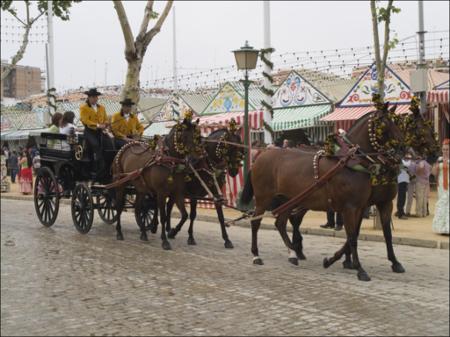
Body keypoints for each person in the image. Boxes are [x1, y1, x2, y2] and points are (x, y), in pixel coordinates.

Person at [79, 88, 110, 181]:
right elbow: (84, 120)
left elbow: (106, 118)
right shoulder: (83, 108)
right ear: (89, 98)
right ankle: (99, 167)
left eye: (96, 97)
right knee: (96, 145)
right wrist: (97, 125)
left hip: (101, 131)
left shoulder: (102, 108)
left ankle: (107, 165)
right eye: (93, 97)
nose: (95, 98)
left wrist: (106, 124)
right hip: (89, 132)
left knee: (109, 143)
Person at [431, 139, 449, 235]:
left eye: (447, 149)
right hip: (441, 185)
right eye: (444, 149)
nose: (445, 151)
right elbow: (434, 173)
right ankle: (442, 228)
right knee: (443, 204)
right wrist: (435, 168)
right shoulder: (439, 159)